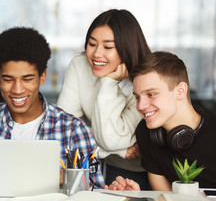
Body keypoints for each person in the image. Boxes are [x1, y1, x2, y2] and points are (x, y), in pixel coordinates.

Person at [0, 27, 106, 188]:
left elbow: (96, 193)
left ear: (42, 77)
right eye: (9, 79)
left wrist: (66, 180)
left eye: (27, 79)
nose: (17, 90)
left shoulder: (73, 130)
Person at [108, 51, 216, 191]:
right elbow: (165, 198)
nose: (140, 106)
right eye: (138, 97)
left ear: (181, 91)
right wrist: (137, 197)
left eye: (151, 94)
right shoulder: (147, 133)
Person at [57, 9, 151, 188]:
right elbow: (66, 131)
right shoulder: (79, 66)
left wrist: (108, 83)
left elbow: (112, 138)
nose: (96, 54)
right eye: (92, 44)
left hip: (145, 170)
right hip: (102, 166)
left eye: (108, 47)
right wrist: (121, 151)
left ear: (127, 47)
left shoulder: (145, 78)